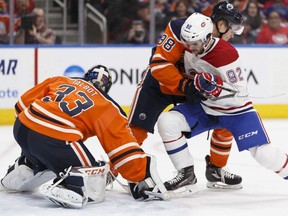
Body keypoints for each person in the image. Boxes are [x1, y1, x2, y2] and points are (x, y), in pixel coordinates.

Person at [0, 65, 168, 208]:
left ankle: (28, 164)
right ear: (107, 88)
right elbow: (122, 150)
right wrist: (139, 175)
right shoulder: (106, 105)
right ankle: (72, 186)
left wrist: (31, 146)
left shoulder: (62, 80)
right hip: (52, 138)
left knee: (42, 155)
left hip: (21, 127)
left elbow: (21, 104)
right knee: (94, 177)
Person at [157, 12, 288, 195]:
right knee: (166, 121)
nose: (191, 48)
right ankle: (186, 174)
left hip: (236, 111)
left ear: (208, 37)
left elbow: (238, 93)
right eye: (188, 43)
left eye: (195, 43)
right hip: (206, 108)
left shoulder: (227, 54)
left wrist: (215, 87)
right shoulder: (189, 47)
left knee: (264, 154)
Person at [127, 1, 244, 191]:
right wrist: (184, 84)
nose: (233, 34)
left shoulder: (221, 48)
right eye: (232, 28)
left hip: (193, 89)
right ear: (221, 24)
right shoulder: (181, 28)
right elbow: (159, 65)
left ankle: (216, 168)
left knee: (227, 116)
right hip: (160, 86)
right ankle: (114, 170)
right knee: (136, 130)